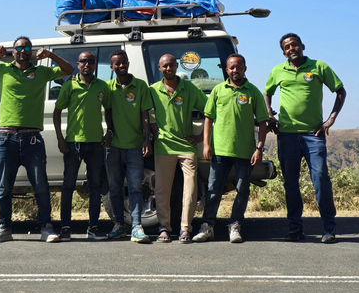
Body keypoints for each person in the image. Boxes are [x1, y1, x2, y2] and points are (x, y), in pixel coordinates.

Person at [0, 36, 74, 243]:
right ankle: (4, 227)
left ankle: (46, 227)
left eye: (27, 48)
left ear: (32, 51)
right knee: (3, 187)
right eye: (18, 48)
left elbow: (69, 70)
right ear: (13, 52)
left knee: (41, 186)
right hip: (6, 138)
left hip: (32, 139)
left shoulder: (41, 72)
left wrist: (50, 55)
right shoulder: (3, 69)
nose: (22, 51)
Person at [264, 33, 347, 244]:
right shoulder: (277, 71)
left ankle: (329, 229)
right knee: (291, 184)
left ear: (302, 46)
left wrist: (331, 119)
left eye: (294, 45)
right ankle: (295, 229)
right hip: (287, 135)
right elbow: (267, 93)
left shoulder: (319, 67)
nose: (291, 49)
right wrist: (270, 117)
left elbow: (340, 91)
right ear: (284, 52)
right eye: (287, 47)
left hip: (314, 134)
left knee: (320, 178)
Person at [192, 54, 269, 243]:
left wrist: (259, 149)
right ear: (227, 70)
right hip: (219, 151)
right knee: (213, 189)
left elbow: (262, 122)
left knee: (242, 190)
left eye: (239, 67)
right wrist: (207, 144)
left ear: (245, 68)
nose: (235, 70)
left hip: (245, 152)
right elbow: (208, 118)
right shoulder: (218, 90)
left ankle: (235, 225)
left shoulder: (253, 92)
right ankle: (207, 226)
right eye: (231, 68)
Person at [53, 51, 112, 241]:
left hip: (96, 143)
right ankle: (65, 228)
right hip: (73, 143)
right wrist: (61, 139)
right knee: (68, 186)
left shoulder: (102, 86)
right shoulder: (70, 85)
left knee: (95, 186)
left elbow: (109, 110)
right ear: (78, 64)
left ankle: (93, 228)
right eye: (83, 61)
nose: (87, 64)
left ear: (95, 65)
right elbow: (57, 112)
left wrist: (109, 131)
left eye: (91, 62)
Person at [149, 54, 208, 244]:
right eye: (165, 66)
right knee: (162, 190)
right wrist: (150, 128)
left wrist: (200, 138)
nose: (168, 69)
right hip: (163, 146)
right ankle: (164, 228)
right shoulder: (153, 90)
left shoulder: (189, 88)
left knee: (190, 191)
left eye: (171, 65)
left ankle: (185, 229)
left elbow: (209, 112)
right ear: (159, 67)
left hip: (186, 146)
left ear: (176, 66)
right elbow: (142, 112)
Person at [104, 49, 154, 243]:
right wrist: (109, 131)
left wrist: (147, 138)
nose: (121, 66)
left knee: (135, 188)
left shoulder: (140, 86)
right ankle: (118, 225)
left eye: (123, 62)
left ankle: (136, 226)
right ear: (112, 67)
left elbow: (145, 115)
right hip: (114, 146)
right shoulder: (108, 87)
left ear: (128, 63)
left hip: (135, 146)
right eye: (117, 63)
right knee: (115, 188)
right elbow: (107, 111)